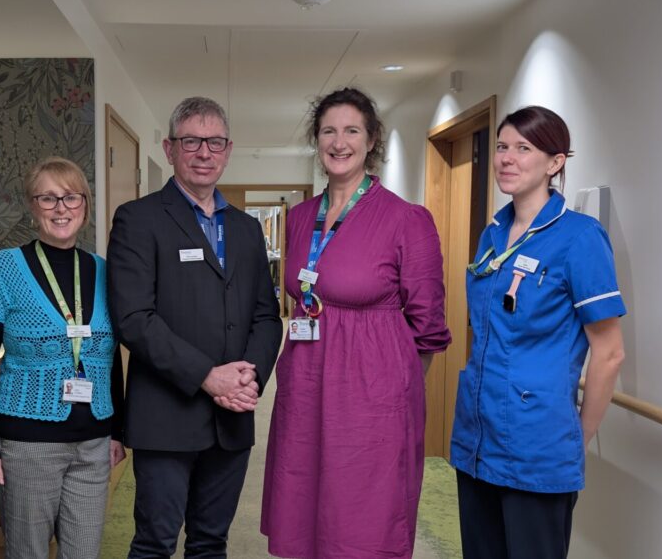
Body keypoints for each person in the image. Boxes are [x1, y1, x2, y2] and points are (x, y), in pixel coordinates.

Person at [261, 87, 452, 559]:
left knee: (364, 517)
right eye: (329, 130)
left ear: (371, 141)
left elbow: (427, 324)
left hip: (372, 388)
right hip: (305, 380)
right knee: (305, 503)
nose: (339, 141)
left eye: (352, 130)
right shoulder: (302, 217)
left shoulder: (408, 219)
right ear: (316, 140)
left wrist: (395, 390)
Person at [107, 96, 282, 558]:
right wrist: (209, 376)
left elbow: (267, 314)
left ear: (228, 149)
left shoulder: (245, 230)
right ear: (169, 149)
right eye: (191, 141)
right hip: (166, 415)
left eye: (215, 142)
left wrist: (250, 376)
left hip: (231, 418)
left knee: (210, 542)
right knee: (155, 542)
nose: (204, 152)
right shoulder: (137, 219)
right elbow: (133, 319)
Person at [450, 106, 626, 559]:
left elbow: (609, 354)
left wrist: (576, 438)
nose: (507, 158)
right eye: (503, 147)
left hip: (538, 448)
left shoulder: (580, 237)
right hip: (477, 439)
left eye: (523, 149)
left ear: (555, 162)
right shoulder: (494, 233)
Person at [0, 156, 125, 559]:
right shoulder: (3, 268)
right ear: (32, 205)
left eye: (71, 197)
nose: (61, 208)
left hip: (93, 444)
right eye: (48, 198)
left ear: (85, 205)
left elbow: (110, 359)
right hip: (27, 445)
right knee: (27, 553)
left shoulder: (104, 271)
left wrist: (118, 430)